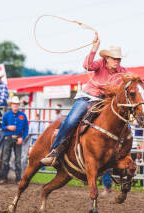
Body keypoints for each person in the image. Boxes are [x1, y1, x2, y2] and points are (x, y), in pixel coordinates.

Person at [40, 33, 127, 167]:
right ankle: (55, 151)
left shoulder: (122, 72)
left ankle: (117, 156)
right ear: (107, 58)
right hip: (88, 98)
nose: (117, 61)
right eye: (114, 58)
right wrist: (94, 47)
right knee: (71, 121)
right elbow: (87, 65)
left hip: (105, 102)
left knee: (121, 125)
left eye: (119, 59)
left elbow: (128, 84)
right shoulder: (100, 64)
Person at [0, 96, 29, 184]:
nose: (15, 105)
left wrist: (22, 138)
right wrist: (8, 127)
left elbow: (26, 129)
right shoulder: (6, 115)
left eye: (17, 104)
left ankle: (18, 179)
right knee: (5, 158)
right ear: (11, 105)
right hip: (8, 138)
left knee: (18, 159)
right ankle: (4, 178)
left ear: (19, 105)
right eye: (14, 104)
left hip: (18, 138)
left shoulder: (23, 116)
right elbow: (2, 127)